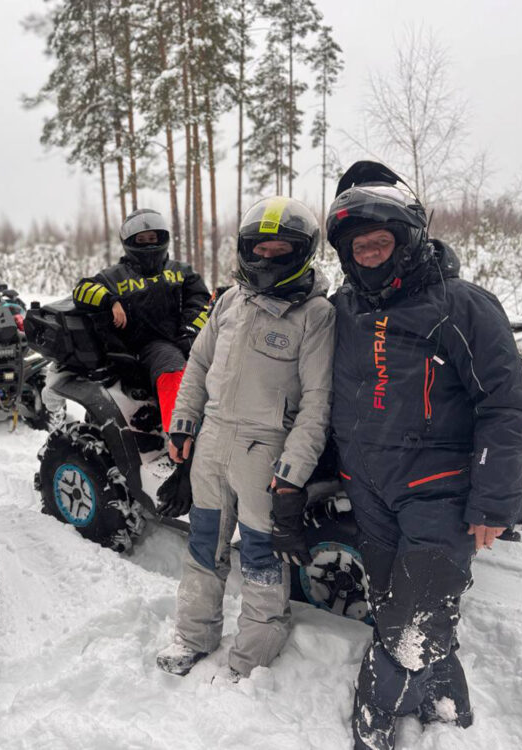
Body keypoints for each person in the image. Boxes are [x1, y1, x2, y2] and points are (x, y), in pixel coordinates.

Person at [325, 162, 522, 750]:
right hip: (368, 486)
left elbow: (503, 406)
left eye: (380, 242)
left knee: (413, 621)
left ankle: (372, 720)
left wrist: (495, 499)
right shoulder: (343, 309)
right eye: (359, 247)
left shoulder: (462, 305)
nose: (369, 255)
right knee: (399, 605)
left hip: (440, 490)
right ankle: (442, 696)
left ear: (408, 237)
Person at [155, 196, 335, 681]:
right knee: (203, 545)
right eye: (260, 249)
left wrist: (292, 474)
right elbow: (197, 364)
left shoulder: (316, 314)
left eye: (281, 250)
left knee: (260, 555)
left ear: (303, 251)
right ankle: (193, 635)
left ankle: (256, 650)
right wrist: (183, 422)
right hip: (212, 440)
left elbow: (317, 403)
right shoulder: (230, 301)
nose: (268, 258)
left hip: (265, 451)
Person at [72, 209, 210, 432]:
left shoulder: (181, 271)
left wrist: (190, 329)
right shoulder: (114, 276)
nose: (148, 244)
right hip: (144, 348)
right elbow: (81, 290)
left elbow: (201, 302)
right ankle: (180, 436)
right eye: (141, 240)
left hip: (185, 339)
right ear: (129, 242)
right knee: (172, 367)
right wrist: (110, 300)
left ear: (162, 238)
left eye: (152, 238)